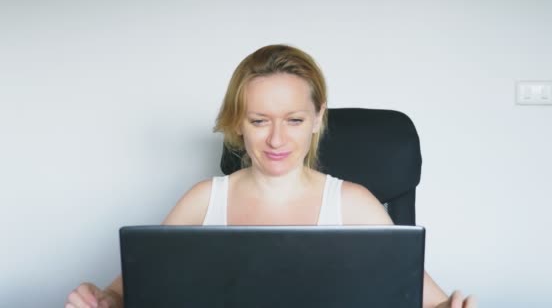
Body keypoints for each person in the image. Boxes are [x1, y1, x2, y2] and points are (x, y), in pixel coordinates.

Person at [65, 44, 476, 308]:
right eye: (260, 120)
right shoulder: (204, 200)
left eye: (294, 120)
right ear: (237, 123)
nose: (277, 139)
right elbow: (127, 292)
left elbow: (429, 302)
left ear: (317, 119)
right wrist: (98, 298)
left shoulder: (354, 203)